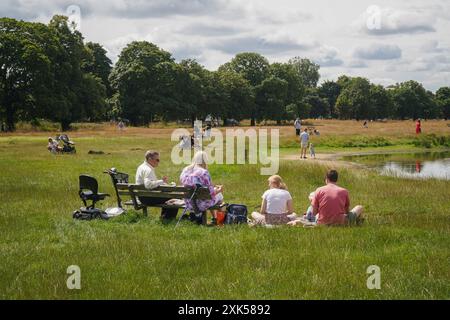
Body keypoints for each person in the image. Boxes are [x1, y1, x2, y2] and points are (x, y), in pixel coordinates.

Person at [289, 170, 364, 227]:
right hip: (341, 222)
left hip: (322, 223)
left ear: (327, 179)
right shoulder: (344, 191)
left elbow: (314, 212)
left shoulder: (319, 190)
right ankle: (357, 225)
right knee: (359, 207)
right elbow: (346, 211)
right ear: (337, 180)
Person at [180, 151, 224, 222]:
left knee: (207, 196)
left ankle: (215, 218)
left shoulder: (185, 170)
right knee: (219, 195)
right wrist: (219, 190)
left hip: (188, 203)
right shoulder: (204, 172)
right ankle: (219, 220)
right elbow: (211, 193)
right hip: (201, 205)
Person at [135, 151, 178, 220]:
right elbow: (148, 185)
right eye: (157, 160)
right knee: (173, 197)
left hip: (142, 196)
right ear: (149, 159)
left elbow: (150, 183)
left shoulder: (141, 167)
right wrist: (162, 181)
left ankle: (164, 217)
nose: (158, 161)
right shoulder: (148, 169)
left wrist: (162, 183)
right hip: (147, 198)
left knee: (167, 196)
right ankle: (168, 218)